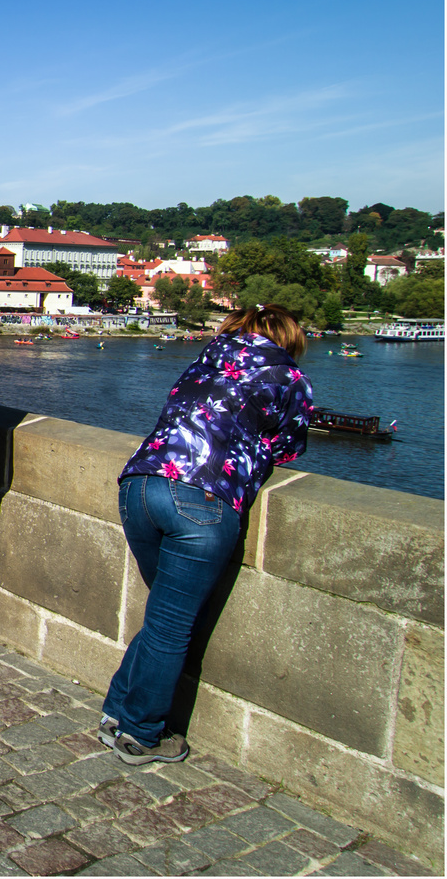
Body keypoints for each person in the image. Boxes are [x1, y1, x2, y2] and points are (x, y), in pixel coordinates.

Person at [100, 303, 312, 765]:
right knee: (173, 625)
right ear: (288, 337)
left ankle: (117, 711)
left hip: (138, 487)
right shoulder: (287, 377)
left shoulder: (205, 359)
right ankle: (140, 733)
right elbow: (289, 446)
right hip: (202, 498)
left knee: (162, 615)